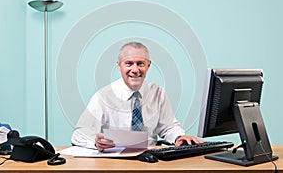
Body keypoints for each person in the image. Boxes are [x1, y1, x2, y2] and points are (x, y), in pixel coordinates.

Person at [71, 41, 205, 151]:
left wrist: (178, 137)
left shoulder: (158, 92)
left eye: (140, 63)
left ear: (148, 65)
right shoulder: (103, 96)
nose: (135, 70)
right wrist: (96, 143)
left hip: (151, 158)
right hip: (116, 160)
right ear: (119, 66)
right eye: (129, 64)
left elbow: (168, 126)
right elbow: (79, 134)